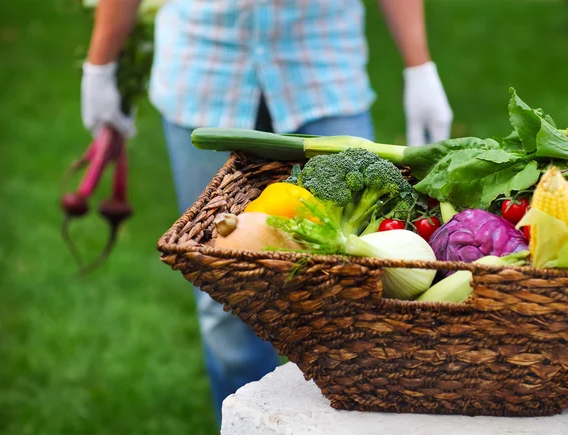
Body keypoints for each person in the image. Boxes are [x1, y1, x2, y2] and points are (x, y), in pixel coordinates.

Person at [81, 0, 453, 423]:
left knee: (357, 289)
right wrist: (99, 66)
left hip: (323, 67)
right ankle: (246, 424)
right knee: (224, 295)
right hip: (202, 67)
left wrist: (419, 65)